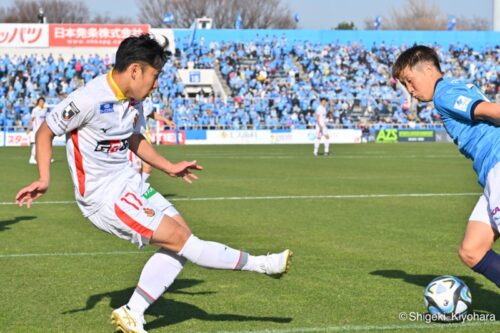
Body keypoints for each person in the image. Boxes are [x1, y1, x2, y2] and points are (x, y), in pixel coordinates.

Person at [15, 34, 292, 333]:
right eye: (154, 75)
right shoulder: (88, 99)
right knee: (184, 242)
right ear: (135, 70)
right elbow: (45, 131)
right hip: (103, 197)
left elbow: (134, 139)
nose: (156, 83)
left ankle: (133, 311)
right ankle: (262, 264)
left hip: (129, 182)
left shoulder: (134, 101)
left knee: (182, 238)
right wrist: (44, 178)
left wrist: (169, 167)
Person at [392, 45, 500, 288]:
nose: (410, 90)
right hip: (490, 171)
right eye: (404, 86)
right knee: (472, 250)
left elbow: (491, 111)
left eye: (410, 81)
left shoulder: (444, 94)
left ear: (429, 69)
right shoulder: (452, 87)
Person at [129, 96, 176, 183]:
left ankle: (140, 189)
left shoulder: (147, 99)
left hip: (141, 134)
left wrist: (166, 121)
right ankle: (136, 190)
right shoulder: (134, 96)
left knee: (147, 166)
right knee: (136, 167)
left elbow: (150, 113)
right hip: (131, 134)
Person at [26, 97, 48, 164]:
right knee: (36, 144)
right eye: (40, 101)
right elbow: (32, 119)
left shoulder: (45, 110)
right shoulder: (35, 110)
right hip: (36, 130)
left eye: (43, 101)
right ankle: (32, 158)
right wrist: (28, 128)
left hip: (43, 130)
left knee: (45, 143)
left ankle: (45, 158)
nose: (41, 103)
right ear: (38, 102)